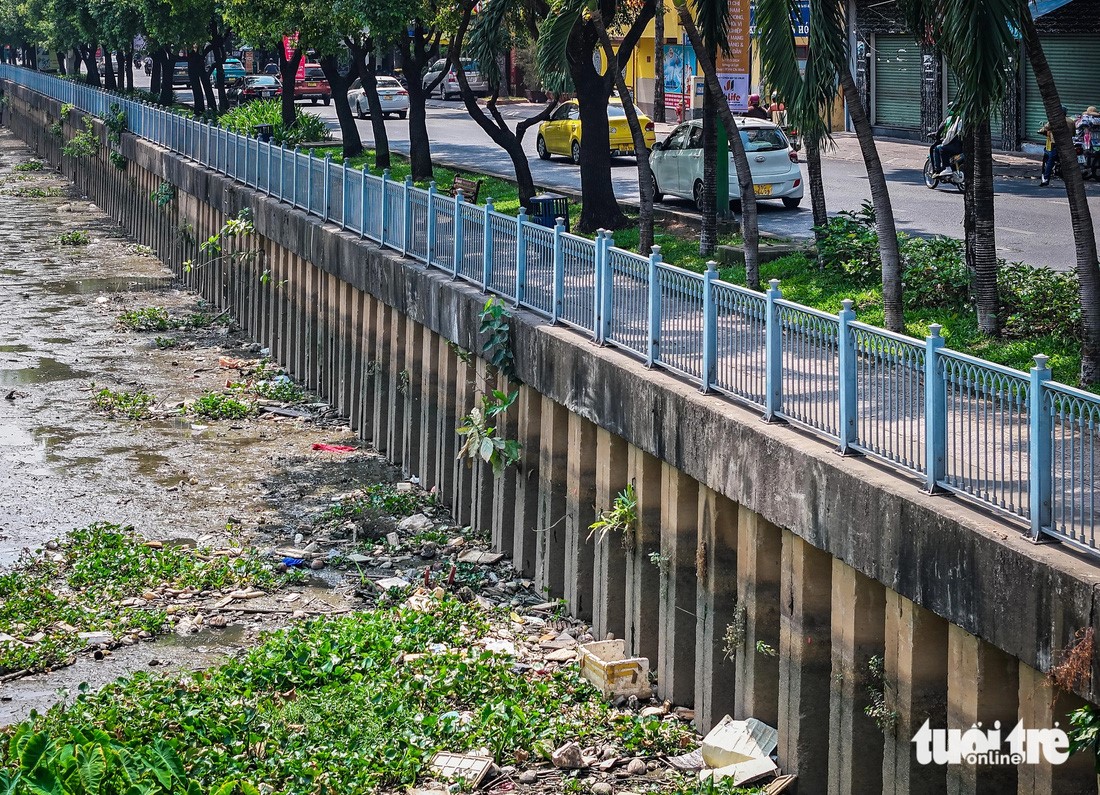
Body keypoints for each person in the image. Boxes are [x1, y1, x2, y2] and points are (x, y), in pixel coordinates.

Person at [1039, 105, 1076, 186]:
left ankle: (1045, 178)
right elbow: (1073, 133)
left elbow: (1045, 128)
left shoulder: (1054, 120)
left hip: (1057, 145)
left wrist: (1040, 131)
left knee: (1050, 160)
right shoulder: (1071, 121)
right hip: (1068, 145)